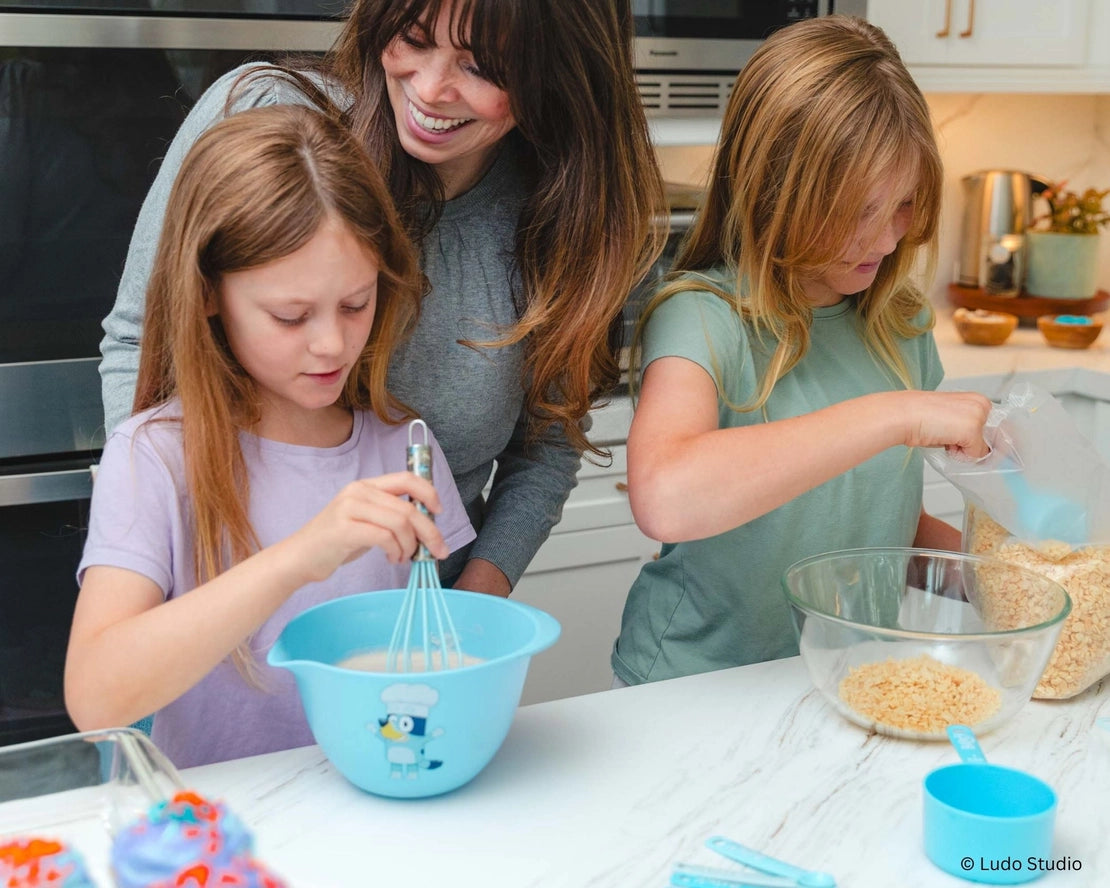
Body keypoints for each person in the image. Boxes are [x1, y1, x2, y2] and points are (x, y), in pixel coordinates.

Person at [98, 0, 666, 598]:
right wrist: (163, 562)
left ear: (558, 74)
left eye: (482, 69)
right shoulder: (267, 119)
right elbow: (141, 341)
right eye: (413, 40)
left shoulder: (568, 220)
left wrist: (469, 610)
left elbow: (546, 443)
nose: (429, 88)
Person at [65, 104, 476, 768]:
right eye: (290, 315)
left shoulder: (404, 449)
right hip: (225, 840)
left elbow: (433, 648)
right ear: (207, 293)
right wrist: (300, 556)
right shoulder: (155, 458)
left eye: (355, 304)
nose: (331, 343)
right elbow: (96, 701)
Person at [611, 15, 994, 687]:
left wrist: (1016, 583)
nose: (885, 239)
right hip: (695, 690)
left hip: (843, 677)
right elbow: (666, 496)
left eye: (903, 205)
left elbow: (882, 534)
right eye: (858, 211)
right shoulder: (704, 316)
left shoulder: (897, 323)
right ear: (775, 191)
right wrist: (895, 415)